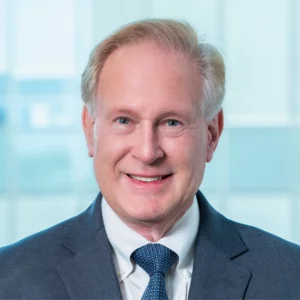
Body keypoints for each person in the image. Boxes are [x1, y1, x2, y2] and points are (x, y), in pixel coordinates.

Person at [0, 19, 299, 300]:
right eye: (124, 120)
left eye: (171, 123)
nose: (147, 152)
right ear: (90, 131)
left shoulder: (289, 277)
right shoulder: (10, 280)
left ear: (211, 134)